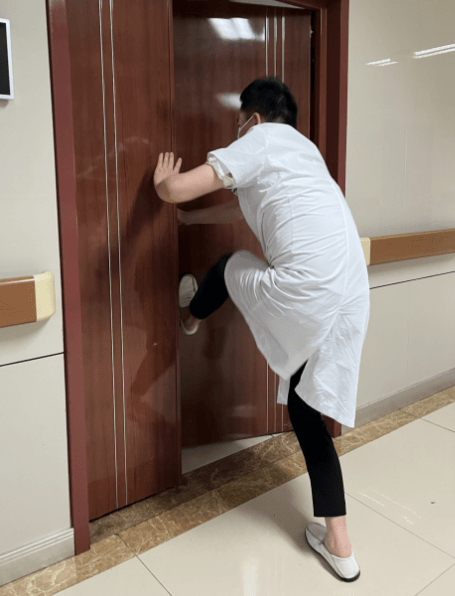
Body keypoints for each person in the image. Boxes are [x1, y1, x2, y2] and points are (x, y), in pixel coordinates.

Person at [153, 77, 369, 582]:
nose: (237, 132)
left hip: (307, 290)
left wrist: (166, 188)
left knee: (230, 265)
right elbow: (239, 203)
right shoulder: (306, 154)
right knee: (304, 407)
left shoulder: (260, 141)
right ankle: (339, 542)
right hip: (351, 294)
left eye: (238, 123)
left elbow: (178, 186)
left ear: (253, 120)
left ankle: (189, 316)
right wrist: (188, 220)